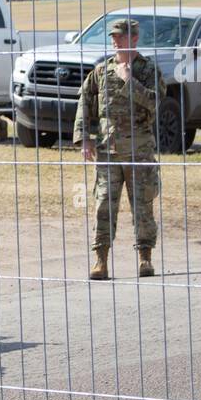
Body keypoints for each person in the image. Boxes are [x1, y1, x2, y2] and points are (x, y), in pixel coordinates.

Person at [73, 17, 162, 280]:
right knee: (103, 207)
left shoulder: (148, 70)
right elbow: (84, 103)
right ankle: (100, 260)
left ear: (134, 38)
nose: (114, 41)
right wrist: (84, 137)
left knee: (143, 207)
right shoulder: (101, 71)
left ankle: (145, 258)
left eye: (119, 36)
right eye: (112, 36)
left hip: (139, 152)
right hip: (108, 153)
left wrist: (129, 82)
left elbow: (155, 103)